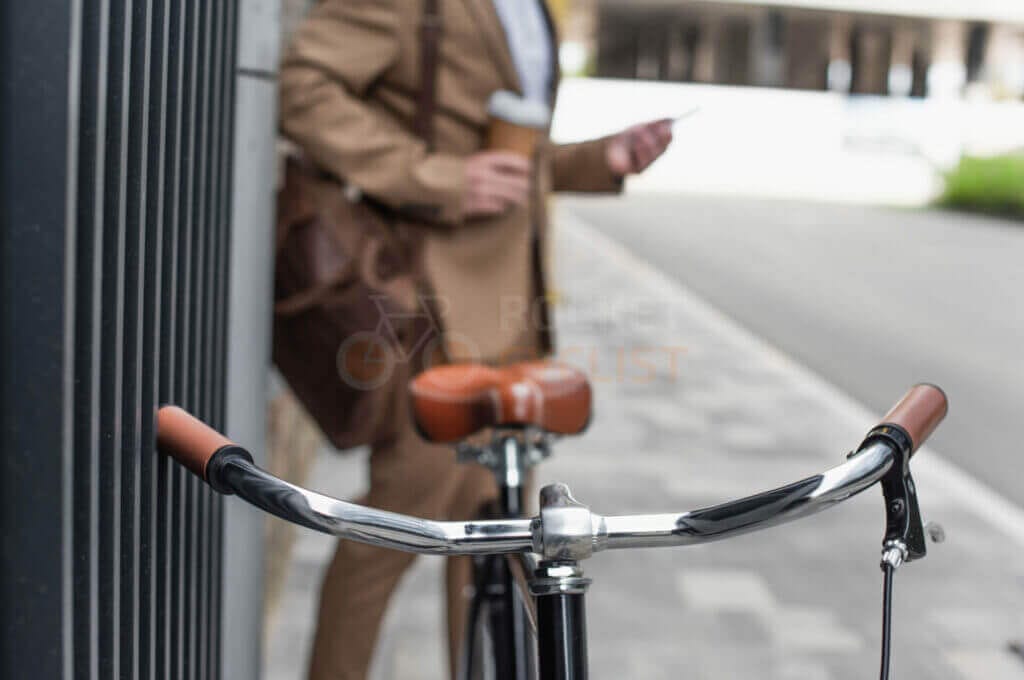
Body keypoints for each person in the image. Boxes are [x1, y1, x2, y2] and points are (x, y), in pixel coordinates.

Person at [278, 2, 672, 678]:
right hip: (427, 306)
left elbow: (506, 148)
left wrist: (597, 159)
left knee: (503, 538)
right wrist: (438, 178)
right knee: (394, 531)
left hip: (509, 312)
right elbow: (303, 90)